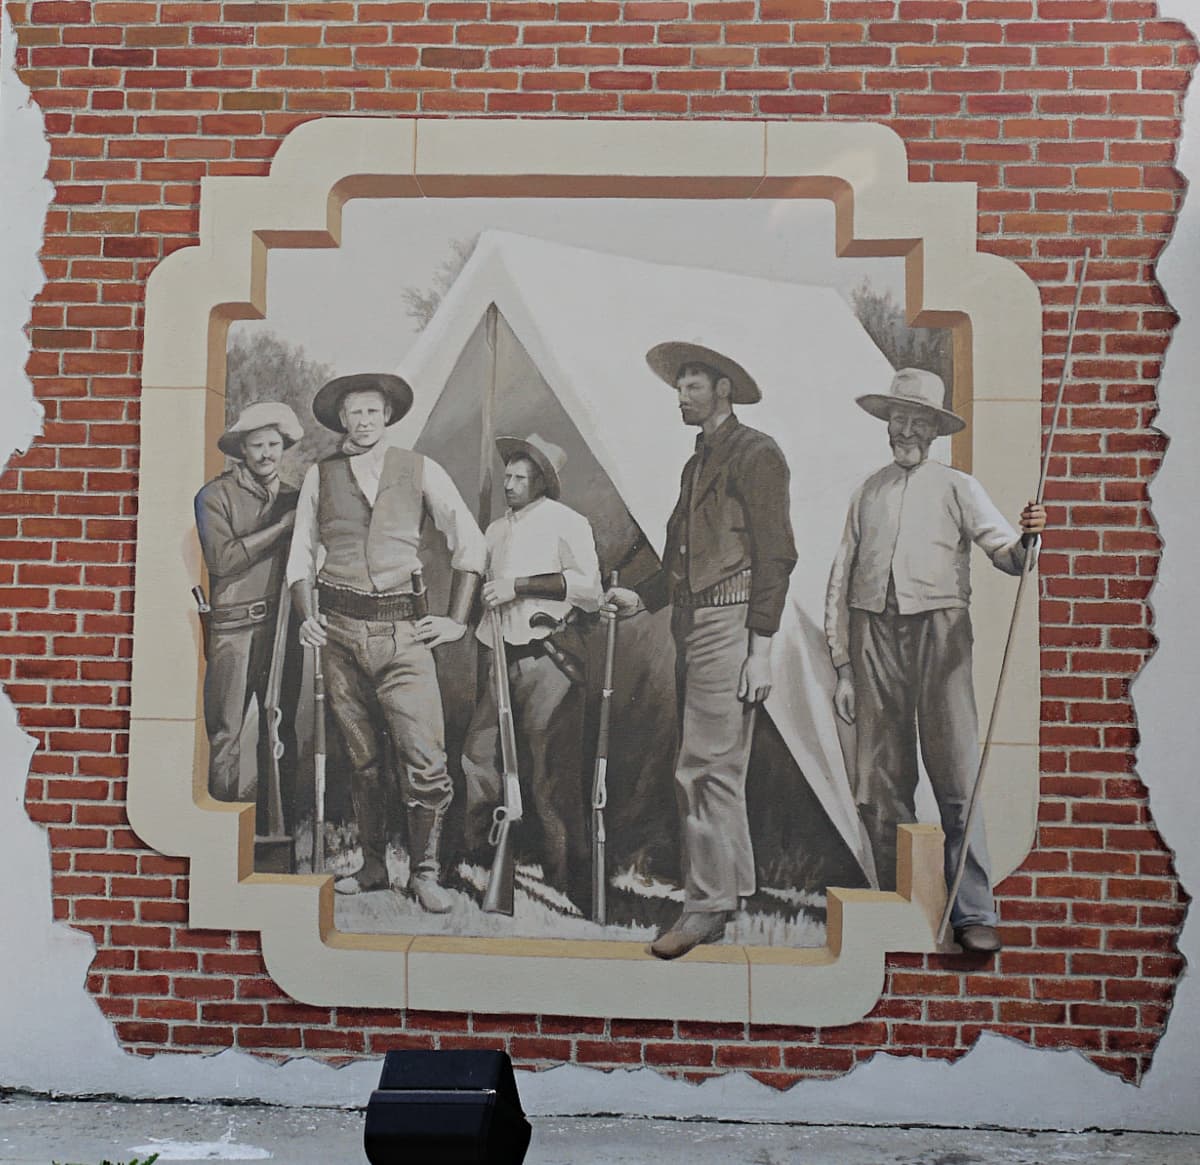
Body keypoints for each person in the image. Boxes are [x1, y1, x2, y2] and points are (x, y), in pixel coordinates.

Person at [824, 367, 1047, 955]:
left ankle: (973, 911)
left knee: (955, 775)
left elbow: (1006, 553)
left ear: (933, 429)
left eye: (917, 420)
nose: (905, 429)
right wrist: (843, 666)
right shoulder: (867, 490)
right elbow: (840, 579)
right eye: (897, 418)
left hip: (941, 634)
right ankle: (899, 899)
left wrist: (1028, 542)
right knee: (878, 779)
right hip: (871, 633)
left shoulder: (958, 486)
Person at [604, 342, 797, 959]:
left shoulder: (757, 453)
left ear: (722, 390)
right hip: (693, 622)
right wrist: (640, 598)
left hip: (730, 622)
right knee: (719, 767)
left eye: (692, 386)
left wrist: (760, 648)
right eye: (679, 386)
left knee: (703, 765)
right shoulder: (698, 463)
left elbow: (777, 556)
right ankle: (729, 892)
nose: (681, 397)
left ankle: (705, 908)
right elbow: (681, 559)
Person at [286, 372, 485, 910]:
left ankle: (423, 873)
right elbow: (301, 556)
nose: (364, 421)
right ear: (341, 420)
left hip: (404, 633)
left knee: (426, 761)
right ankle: (374, 866)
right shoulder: (320, 477)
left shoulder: (420, 469)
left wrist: (457, 620)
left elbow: (470, 543)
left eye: (373, 411)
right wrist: (308, 617)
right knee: (364, 761)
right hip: (339, 635)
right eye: (354, 413)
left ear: (388, 416)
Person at [461, 434, 602, 913]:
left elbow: (589, 591)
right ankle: (479, 857)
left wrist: (518, 587)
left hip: (549, 658)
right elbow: (476, 576)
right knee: (479, 760)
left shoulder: (569, 523)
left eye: (521, 476)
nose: (510, 483)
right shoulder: (495, 530)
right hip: (499, 656)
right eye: (508, 475)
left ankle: (567, 878)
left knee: (551, 776)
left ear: (542, 480)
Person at [194, 402, 304, 817]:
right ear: (242, 449)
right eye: (256, 445)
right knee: (226, 735)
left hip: (282, 630)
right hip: (232, 631)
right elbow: (223, 561)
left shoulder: (296, 497)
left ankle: (282, 832)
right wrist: (281, 527)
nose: (266, 454)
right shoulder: (213, 496)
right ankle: (220, 835)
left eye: (274, 444)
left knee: (281, 729)